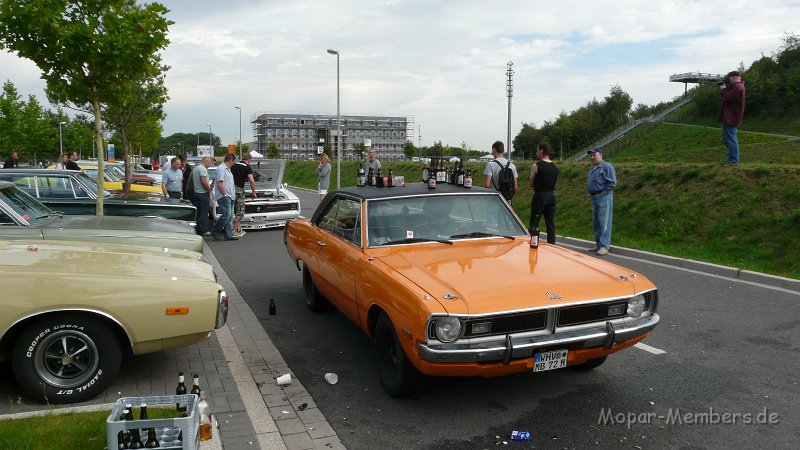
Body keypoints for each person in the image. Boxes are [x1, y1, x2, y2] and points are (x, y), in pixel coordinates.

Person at [586, 147, 616, 256]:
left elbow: (612, 183)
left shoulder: (607, 167)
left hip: (604, 197)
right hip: (594, 198)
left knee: (604, 222)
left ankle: (604, 246)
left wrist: (602, 194)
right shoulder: (593, 169)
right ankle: (598, 244)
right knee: (597, 223)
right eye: (591, 155)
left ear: (601, 155)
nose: (592, 157)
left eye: (594, 155)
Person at [529, 142, 559, 244]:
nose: (536, 152)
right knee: (550, 222)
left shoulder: (536, 165)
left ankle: (533, 242)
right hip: (552, 196)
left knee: (535, 221)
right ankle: (552, 244)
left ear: (541, 150)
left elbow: (531, 183)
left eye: (537, 150)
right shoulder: (555, 167)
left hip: (540, 195)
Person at [718, 70, 746, 165]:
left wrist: (723, 89)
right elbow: (726, 97)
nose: (729, 81)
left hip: (731, 117)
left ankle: (733, 161)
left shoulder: (738, 87)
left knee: (731, 140)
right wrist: (725, 90)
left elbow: (726, 98)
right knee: (727, 140)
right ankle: (731, 160)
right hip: (729, 117)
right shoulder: (737, 87)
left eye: (730, 79)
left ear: (733, 77)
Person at [230, 152, 257, 238]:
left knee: (232, 210)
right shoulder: (247, 168)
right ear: (248, 160)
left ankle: (238, 229)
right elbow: (251, 181)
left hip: (230, 190)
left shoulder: (233, 166)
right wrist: (253, 192)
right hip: (239, 191)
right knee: (240, 211)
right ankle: (234, 231)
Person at [211, 154, 237, 241]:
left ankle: (228, 235)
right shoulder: (221, 169)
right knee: (226, 215)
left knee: (229, 217)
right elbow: (220, 183)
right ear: (230, 161)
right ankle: (215, 231)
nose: (233, 164)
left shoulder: (227, 169)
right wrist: (224, 194)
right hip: (224, 196)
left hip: (230, 195)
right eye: (233, 161)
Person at [192, 156, 213, 235]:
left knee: (199, 212)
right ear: (206, 161)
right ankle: (203, 229)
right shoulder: (202, 169)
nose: (210, 164)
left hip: (197, 192)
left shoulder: (196, 168)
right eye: (209, 162)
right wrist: (208, 189)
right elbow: (203, 181)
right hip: (202, 193)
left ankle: (198, 227)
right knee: (204, 212)